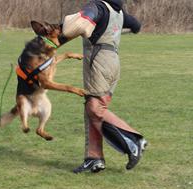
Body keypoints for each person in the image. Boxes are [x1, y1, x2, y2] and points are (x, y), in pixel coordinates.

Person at [58, 0, 147, 173]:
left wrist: (54, 37)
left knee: (95, 108)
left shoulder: (97, 7)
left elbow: (75, 26)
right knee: (93, 109)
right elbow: (136, 25)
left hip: (98, 61)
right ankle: (94, 158)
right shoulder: (119, 12)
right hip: (113, 62)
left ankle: (134, 140)